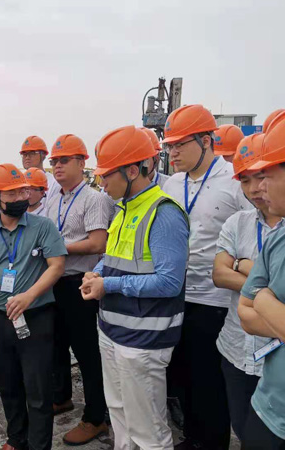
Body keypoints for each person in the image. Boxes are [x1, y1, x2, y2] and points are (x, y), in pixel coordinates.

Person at [81, 125, 189, 450]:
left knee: (148, 430)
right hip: (112, 332)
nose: (101, 182)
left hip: (143, 340)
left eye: (106, 175)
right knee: (120, 415)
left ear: (132, 170)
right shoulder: (124, 208)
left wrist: (108, 284)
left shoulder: (164, 213)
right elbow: (113, 257)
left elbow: (169, 282)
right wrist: (96, 274)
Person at [162, 104, 252, 450]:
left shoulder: (234, 182)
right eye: (169, 146)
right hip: (175, 294)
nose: (172, 153)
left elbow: (253, 234)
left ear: (205, 140)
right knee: (181, 375)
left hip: (214, 300)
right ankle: (193, 438)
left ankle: (212, 442)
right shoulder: (173, 184)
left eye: (179, 145)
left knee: (209, 381)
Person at [0, 163, 67, 450]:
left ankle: (39, 445)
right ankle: (17, 439)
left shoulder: (43, 227)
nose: (21, 197)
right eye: (12, 193)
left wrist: (29, 295)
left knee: (38, 389)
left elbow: (56, 266)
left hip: (36, 317)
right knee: (7, 385)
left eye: (23, 191)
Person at [44, 134, 114, 445]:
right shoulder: (53, 198)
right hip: (55, 282)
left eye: (64, 160)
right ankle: (61, 397)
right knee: (57, 345)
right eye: (54, 161)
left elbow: (98, 243)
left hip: (80, 283)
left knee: (87, 353)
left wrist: (58, 248)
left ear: (82, 163)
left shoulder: (94, 199)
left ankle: (95, 417)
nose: (57, 165)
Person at [213, 132, 282, 440]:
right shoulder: (237, 223)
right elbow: (219, 274)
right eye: (245, 180)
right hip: (237, 348)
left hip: (276, 356)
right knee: (243, 430)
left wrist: (241, 265)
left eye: (261, 176)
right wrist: (266, 288)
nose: (255, 188)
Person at [238, 120, 285, 448]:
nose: (260, 187)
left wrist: (265, 299)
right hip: (269, 407)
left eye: (266, 174)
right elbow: (244, 312)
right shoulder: (278, 237)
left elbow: (253, 301)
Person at [20, 136, 60, 205]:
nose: (27, 157)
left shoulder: (53, 183)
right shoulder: (18, 183)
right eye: (24, 154)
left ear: (43, 155)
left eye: (32, 153)